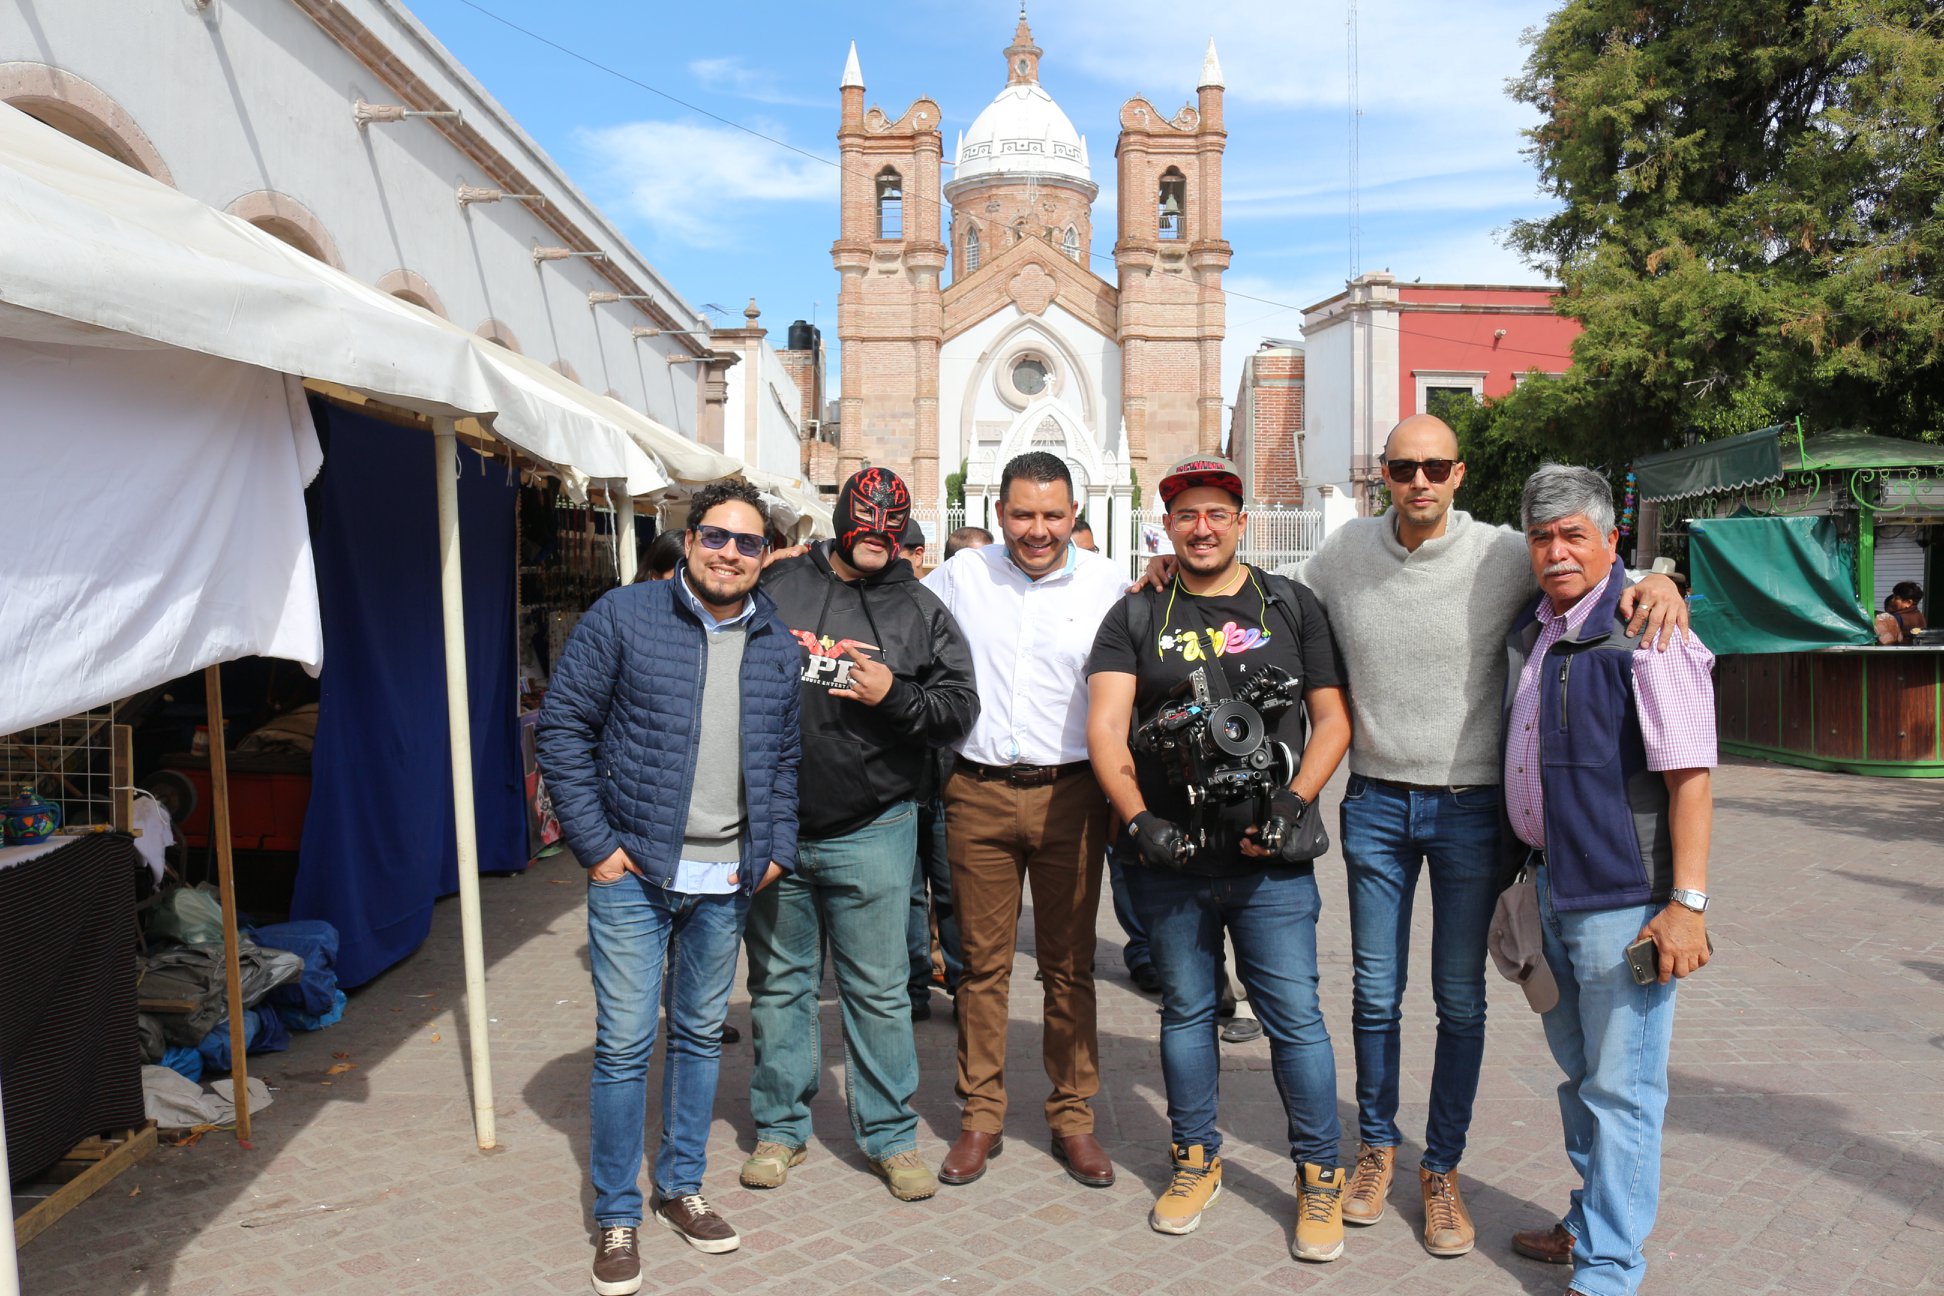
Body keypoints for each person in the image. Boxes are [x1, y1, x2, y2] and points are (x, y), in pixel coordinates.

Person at [1130, 414, 1687, 1257]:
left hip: (1472, 809)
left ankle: (1443, 1170)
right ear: (1382, 474)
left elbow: (1581, 562)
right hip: (1379, 805)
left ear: (1458, 473)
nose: (1419, 481)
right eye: (1402, 467)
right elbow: (1258, 589)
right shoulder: (1345, 554)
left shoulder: (1503, 553)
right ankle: (1378, 1148)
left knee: (1459, 1001)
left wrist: (1659, 577)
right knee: (1374, 993)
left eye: (1434, 466)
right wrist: (1178, 565)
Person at [1087, 454, 1356, 1258]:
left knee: (1296, 1022)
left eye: (1216, 513)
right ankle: (1195, 1158)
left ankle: (1319, 1178)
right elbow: (1106, 727)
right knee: (1186, 1014)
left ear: (1241, 522)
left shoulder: (1289, 604)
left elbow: (1333, 719)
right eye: (1185, 515)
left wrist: (1293, 800)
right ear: (1164, 527)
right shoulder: (1135, 615)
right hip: (1171, 861)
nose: (1201, 528)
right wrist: (1138, 822)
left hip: (1269, 862)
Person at [536, 481, 801, 1296]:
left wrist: (776, 848)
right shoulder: (624, 617)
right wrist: (596, 846)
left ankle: (681, 1187)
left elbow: (785, 759)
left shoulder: (778, 645)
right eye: (717, 537)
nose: (730, 553)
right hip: (634, 872)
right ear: (688, 542)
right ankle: (617, 1211)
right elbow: (563, 728)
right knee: (623, 1044)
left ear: (766, 556)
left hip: (726, 878)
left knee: (694, 1037)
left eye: (748, 542)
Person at [1501, 464, 1716, 1296]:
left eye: (1574, 536)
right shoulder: (1538, 625)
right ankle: (1592, 1222)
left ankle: (1610, 1271)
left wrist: (1685, 907)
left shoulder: (1649, 631)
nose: (1556, 552)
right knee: (1580, 1077)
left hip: (1622, 905)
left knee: (1623, 1091)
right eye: (1542, 537)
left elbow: (1689, 778)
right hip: (1549, 889)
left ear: (1611, 540)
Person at [740, 468, 978, 1203]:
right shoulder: (779, 589)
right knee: (780, 985)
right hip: (780, 822)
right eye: (865, 524)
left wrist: (895, 695)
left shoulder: (921, 609)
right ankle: (781, 1128)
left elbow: (958, 708)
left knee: (877, 990)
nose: (878, 538)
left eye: (890, 526)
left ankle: (890, 1136)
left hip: (874, 826)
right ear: (844, 520)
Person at [922, 451, 1130, 1189]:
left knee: (1069, 968)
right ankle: (981, 1114)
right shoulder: (961, 577)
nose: (1036, 530)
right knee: (981, 966)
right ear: (999, 512)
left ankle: (1072, 1116)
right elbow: (894, 614)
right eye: (1021, 514)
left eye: (1051, 515)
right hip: (975, 793)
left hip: (1073, 794)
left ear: (1076, 515)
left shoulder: (1112, 585)